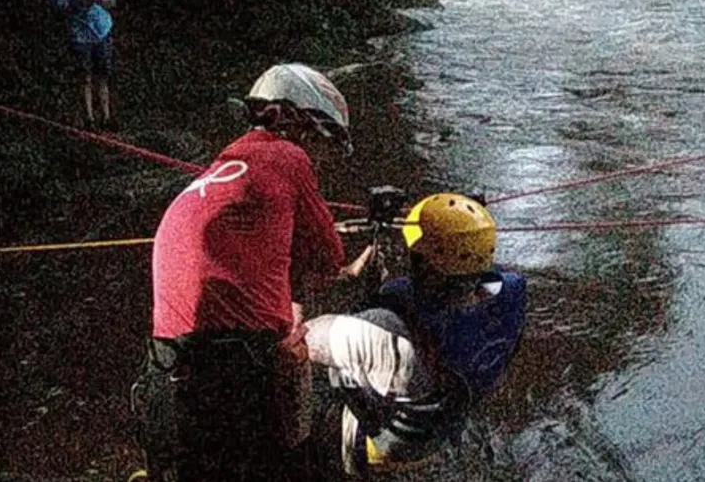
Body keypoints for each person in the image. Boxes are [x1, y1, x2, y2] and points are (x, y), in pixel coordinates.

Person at [130, 63, 371, 482]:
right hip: (234, 366)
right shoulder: (288, 157)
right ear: (295, 122)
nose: (319, 156)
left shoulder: (222, 167)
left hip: (165, 365)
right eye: (320, 141)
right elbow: (328, 257)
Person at [304, 193, 529, 478]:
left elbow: (304, 339)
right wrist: (462, 227)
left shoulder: (385, 328)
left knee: (324, 379)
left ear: (423, 265)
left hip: (386, 447)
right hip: (443, 429)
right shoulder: (513, 293)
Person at [48, 0, 117, 129]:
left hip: (101, 29)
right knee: (84, 76)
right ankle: (89, 118)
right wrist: (76, 2)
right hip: (78, 34)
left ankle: (106, 117)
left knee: (103, 74)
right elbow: (58, 7)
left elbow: (111, 1)